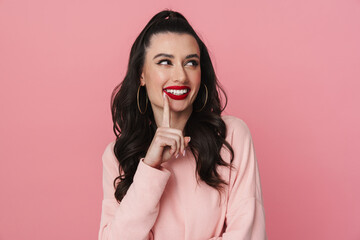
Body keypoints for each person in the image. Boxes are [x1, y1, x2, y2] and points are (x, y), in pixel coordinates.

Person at [98, 9, 267, 240]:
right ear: (141, 75)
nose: (180, 76)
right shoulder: (117, 156)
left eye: (191, 63)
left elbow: (250, 235)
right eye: (165, 62)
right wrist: (150, 167)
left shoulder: (232, 136)